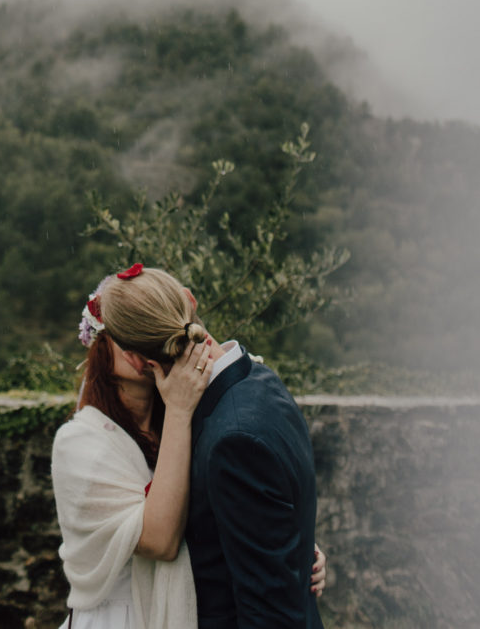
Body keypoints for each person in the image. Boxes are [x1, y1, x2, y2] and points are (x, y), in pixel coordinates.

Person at [52, 263, 327, 629]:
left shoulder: (198, 417)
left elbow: (245, 511)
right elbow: (162, 539)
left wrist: (294, 546)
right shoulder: (83, 442)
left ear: (139, 356)